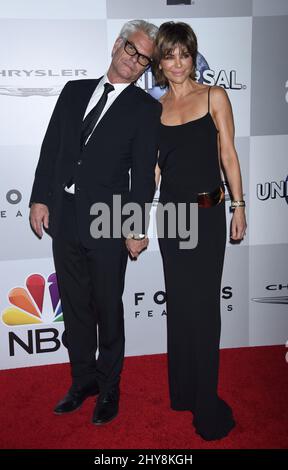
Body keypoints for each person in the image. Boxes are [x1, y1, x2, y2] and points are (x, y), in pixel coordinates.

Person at [29, 19, 161, 425]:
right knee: (75, 305)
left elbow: (142, 176)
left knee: (108, 307)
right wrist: (38, 197)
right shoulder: (74, 91)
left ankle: (109, 388)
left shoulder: (145, 109)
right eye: (131, 50)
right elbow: (51, 147)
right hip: (64, 216)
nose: (134, 62)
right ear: (117, 46)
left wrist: (137, 227)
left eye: (144, 60)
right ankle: (82, 380)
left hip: (109, 220)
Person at [153, 22, 247, 440]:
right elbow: (154, 170)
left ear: (194, 57)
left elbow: (228, 151)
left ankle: (206, 402)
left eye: (184, 54)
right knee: (181, 306)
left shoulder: (214, 96)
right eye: (169, 55)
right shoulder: (153, 109)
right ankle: (185, 391)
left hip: (207, 215)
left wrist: (239, 206)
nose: (177, 63)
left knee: (205, 311)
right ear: (159, 61)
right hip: (171, 220)